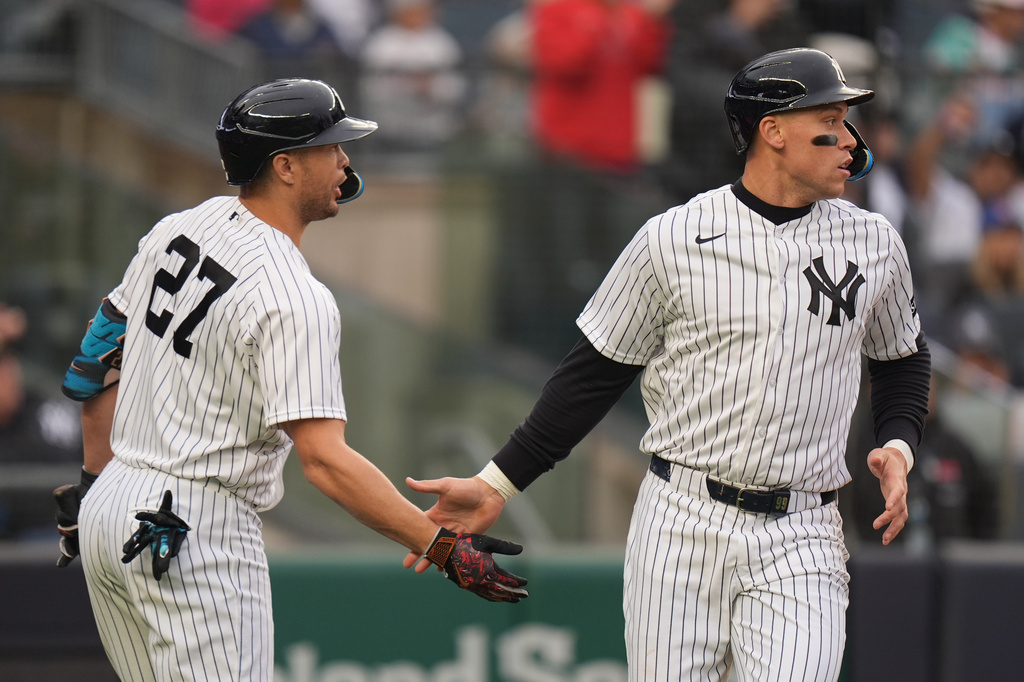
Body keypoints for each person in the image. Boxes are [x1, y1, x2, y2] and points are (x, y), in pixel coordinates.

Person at [405, 48, 932, 681]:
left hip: (804, 528)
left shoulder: (873, 241)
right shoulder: (673, 237)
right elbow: (592, 376)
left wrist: (899, 443)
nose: (851, 139)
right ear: (773, 131)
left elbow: (902, 357)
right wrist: (497, 484)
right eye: (832, 118)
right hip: (682, 522)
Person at [51, 78, 528, 682]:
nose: (345, 161)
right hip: (196, 526)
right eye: (331, 147)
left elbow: (96, 361)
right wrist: (445, 551)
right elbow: (325, 463)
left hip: (114, 504)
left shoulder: (181, 227)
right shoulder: (293, 295)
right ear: (284, 166)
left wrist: (94, 484)